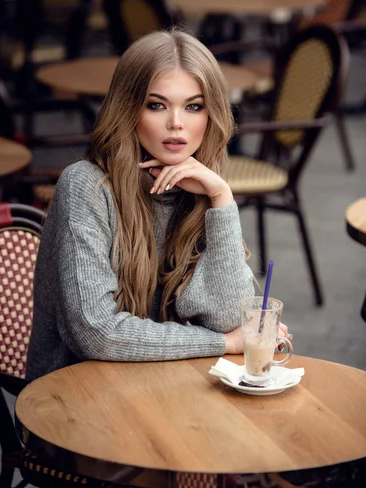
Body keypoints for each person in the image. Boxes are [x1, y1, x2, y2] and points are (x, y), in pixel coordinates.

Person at [26, 29, 291, 380]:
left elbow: (230, 319)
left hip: (158, 384)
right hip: (75, 400)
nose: (176, 124)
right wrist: (222, 344)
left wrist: (221, 199)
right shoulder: (86, 187)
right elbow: (96, 333)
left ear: (211, 115)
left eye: (194, 107)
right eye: (156, 105)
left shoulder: (198, 190)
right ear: (128, 109)